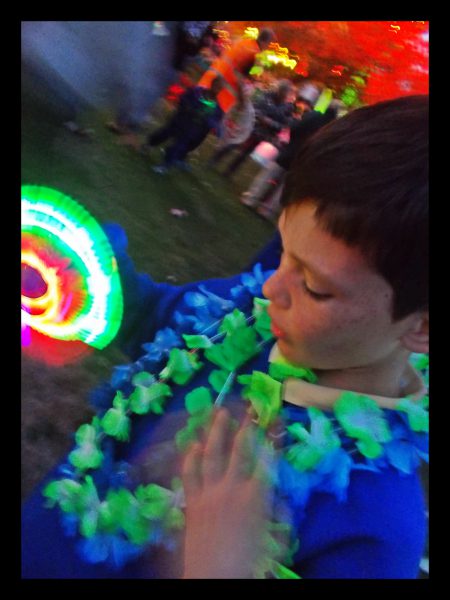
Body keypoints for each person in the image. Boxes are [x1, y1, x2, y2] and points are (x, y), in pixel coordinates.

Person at [21, 95, 428, 579]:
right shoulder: (246, 310)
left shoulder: (374, 529)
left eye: (315, 287)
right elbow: (153, 321)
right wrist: (83, 276)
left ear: (422, 326)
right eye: (284, 251)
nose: (272, 288)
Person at [240, 99, 342, 221]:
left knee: (268, 174)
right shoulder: (332, 129)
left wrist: (293, 141)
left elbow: (295, 127)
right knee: (284, 186)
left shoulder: (315, 115)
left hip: (291, 150)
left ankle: (251, 199)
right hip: (305, 159)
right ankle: (267, 210)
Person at [208, 79, 296, 178]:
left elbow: (283, 126)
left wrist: (269, 122)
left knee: (245, 154)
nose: (284, 94)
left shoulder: (286, 109)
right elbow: (254, 107)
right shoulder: (266, 96)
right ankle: (215, 159)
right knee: (235, 143)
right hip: (251, 126)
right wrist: (261, 117)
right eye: (283, 90)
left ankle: (229, 171)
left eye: (286, 92)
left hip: (263, 134)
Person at [141, 75, 225, 173]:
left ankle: (165, 164)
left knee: (179, 146)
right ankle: (149, 145)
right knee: (164, 133)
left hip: (191, 129)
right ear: (212, 83)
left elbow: (213, 122)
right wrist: (187, 108)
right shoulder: (196, 91)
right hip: (180, 120)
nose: (217, 89)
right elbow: (183, 98)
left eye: (220, 88)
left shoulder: (216, 108)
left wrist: (215, 128)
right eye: (216, 85)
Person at [197, 28, 276, 115]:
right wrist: (242, 101)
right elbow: (241, 79)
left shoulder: (242, 42)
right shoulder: (256, 56)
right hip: (222, 97)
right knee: (203, 117)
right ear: (266, 43)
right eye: (269, 45)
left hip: (209, 82)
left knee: (193, 108)